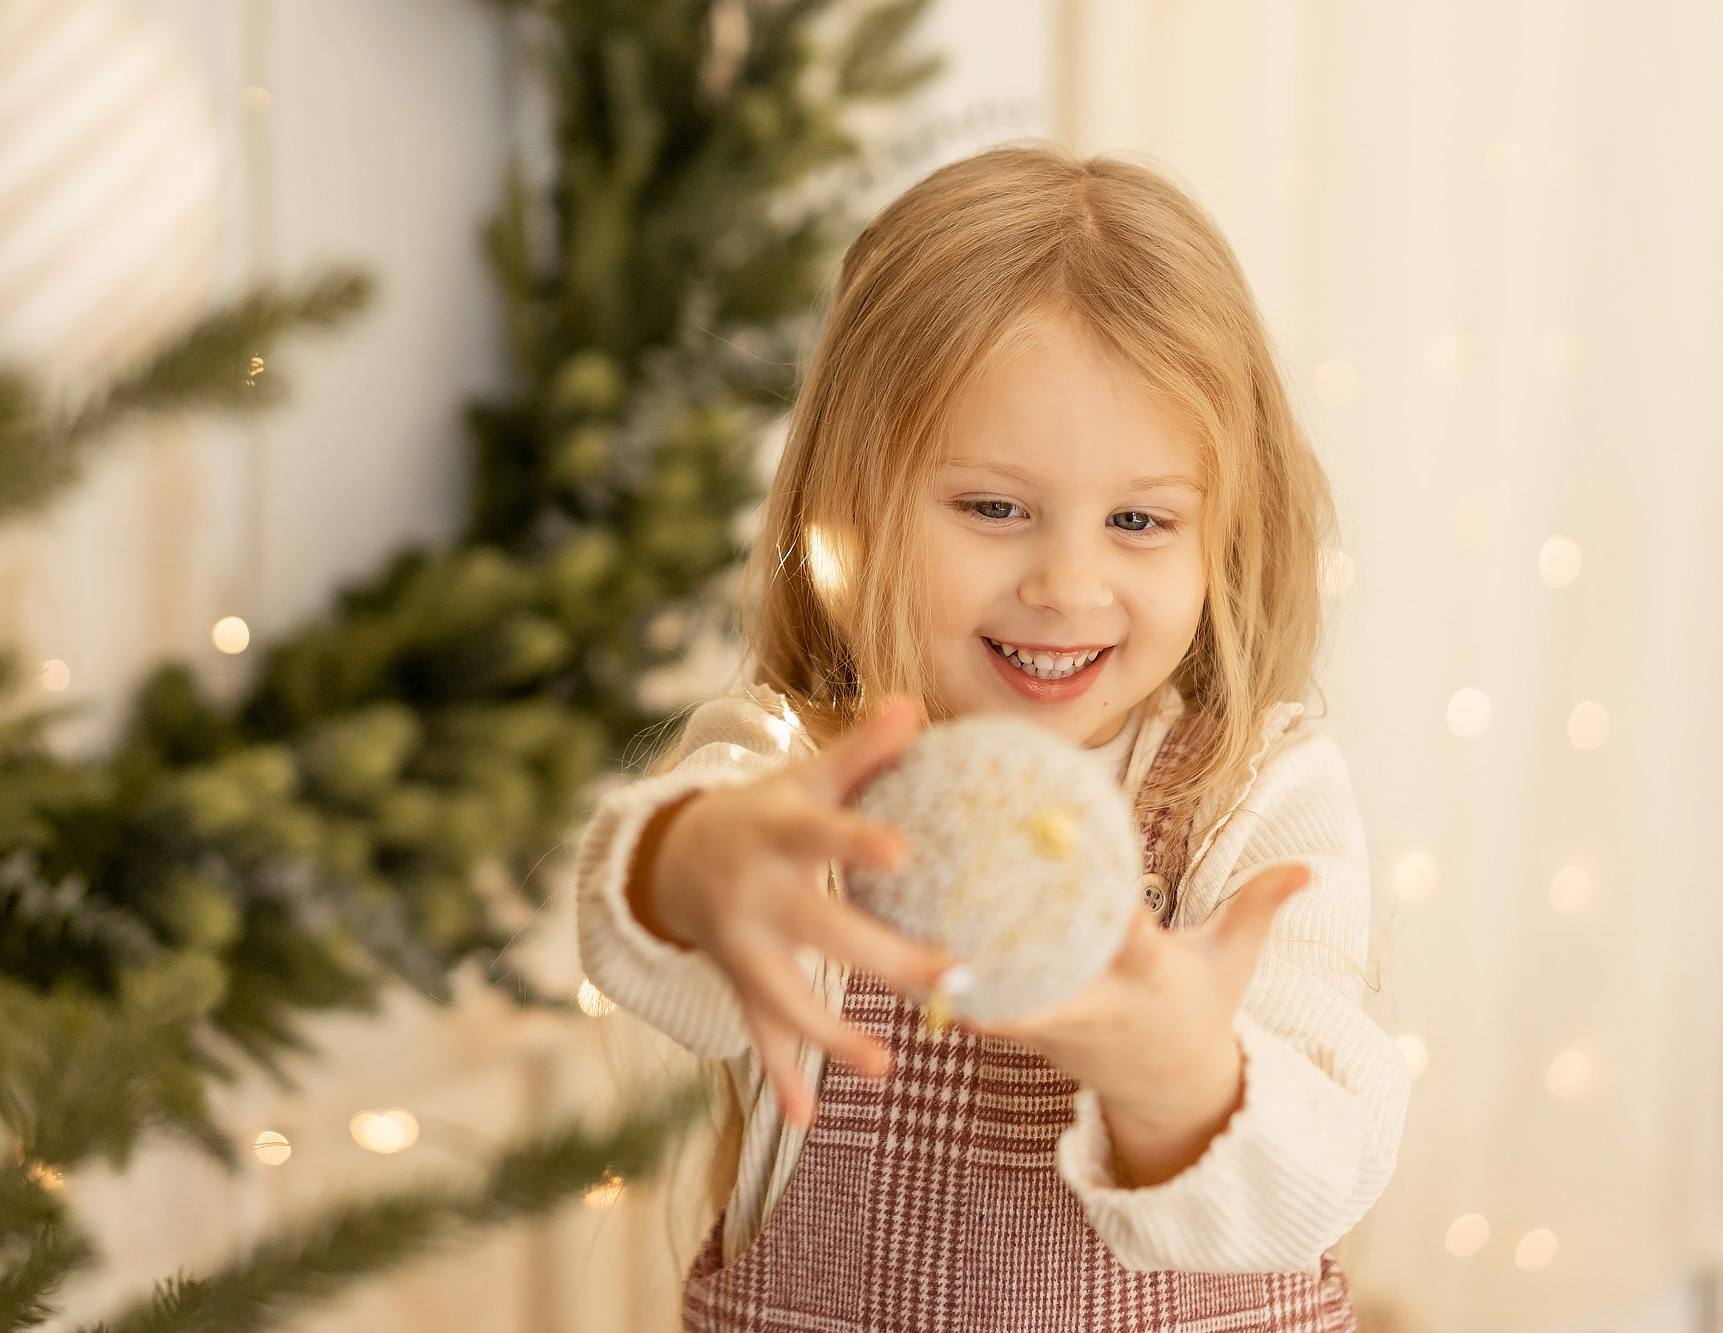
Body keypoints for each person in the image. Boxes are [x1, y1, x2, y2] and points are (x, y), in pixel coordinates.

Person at [573, 142, 1408, 1331]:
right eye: (993, 508)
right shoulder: (804, 771)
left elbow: (1324, 1164)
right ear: (853, 501)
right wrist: (692, 870)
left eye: (1137, 519)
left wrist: (1179, 1076)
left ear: (1218, 533)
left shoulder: (1253, 795)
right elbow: (641, 922)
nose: (1067, 584)